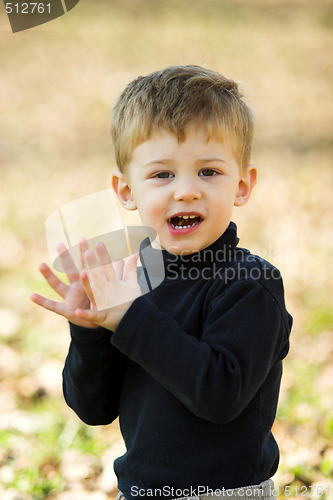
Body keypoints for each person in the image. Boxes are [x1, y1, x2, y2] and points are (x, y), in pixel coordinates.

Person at [31, 65, 292, 500]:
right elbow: (93, 409)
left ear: (242, 185)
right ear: (126, 192)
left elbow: (220, 395)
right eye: (162, 174)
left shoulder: (250, 284)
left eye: (209, 171)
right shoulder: (132, 283)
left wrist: (130, 319)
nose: (186, 190)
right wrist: (91, 330)